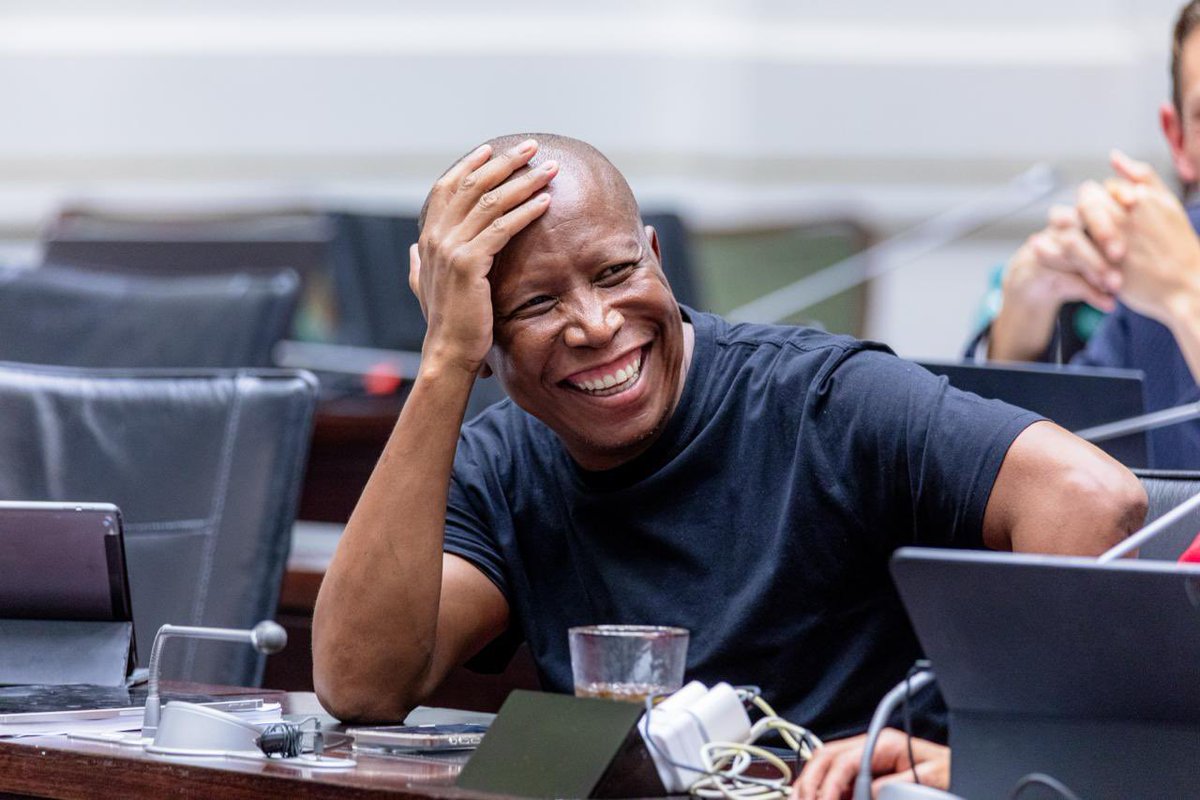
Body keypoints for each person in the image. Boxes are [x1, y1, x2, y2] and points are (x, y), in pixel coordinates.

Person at [311, 134, 1146, 794]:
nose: (597, 324)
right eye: (537, 303)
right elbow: (360, 685)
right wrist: (443, 362)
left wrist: (979, 754)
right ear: (487, 334)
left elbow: (1090, 497)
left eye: (615, 272)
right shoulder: (507, 464)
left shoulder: (825, 398)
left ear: (655, 255)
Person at [980, 1, 1200, 468]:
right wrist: (1021, 328)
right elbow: (1049, 480)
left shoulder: (1176, 278)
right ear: (1178, 140)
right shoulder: (1154, 288)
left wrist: (1187, 292)